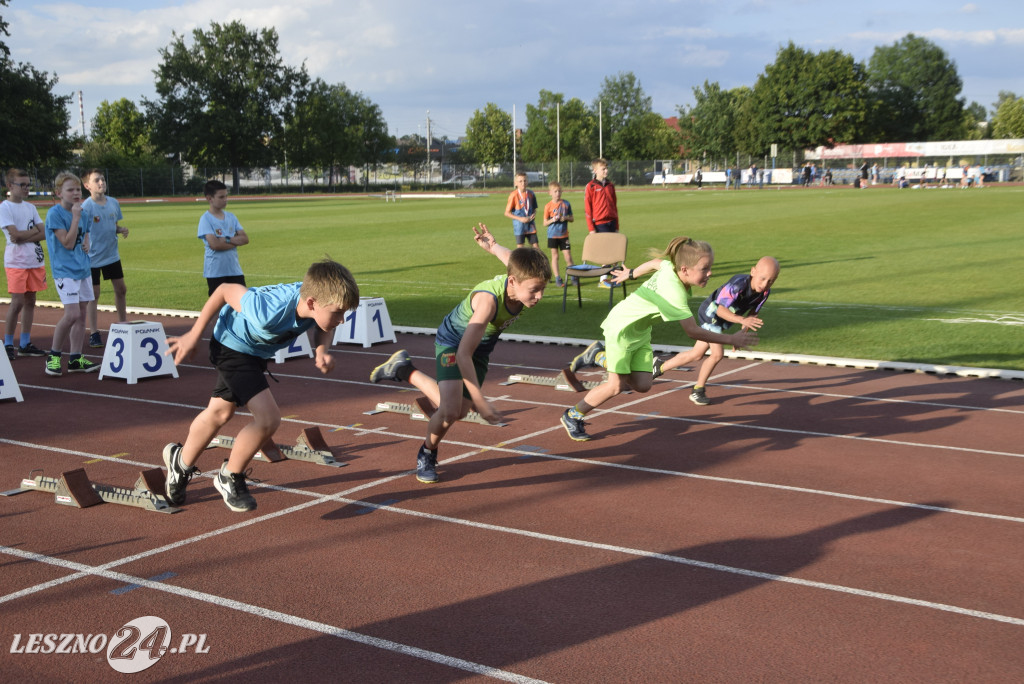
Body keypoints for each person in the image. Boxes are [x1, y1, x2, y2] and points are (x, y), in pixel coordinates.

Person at [162, 258, 359, 511]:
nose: (342, 320)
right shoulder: (268, 310)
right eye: (338, 313)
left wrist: (321, 350)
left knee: (220, 412)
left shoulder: (317, 302)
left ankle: (180, 464)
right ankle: (229, 476)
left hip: (255, 352)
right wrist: (194, 333)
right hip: (231, 346)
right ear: (311, 302)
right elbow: (224, 290)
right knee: (268, 419)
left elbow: (322, 325)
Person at [369, 224, 550, 483]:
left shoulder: (519, 276)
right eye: (534, 290)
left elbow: (510, 258)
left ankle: (403, 369)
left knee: (460, 411)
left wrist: (492, 245)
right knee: (450, 411)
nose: (540, 296)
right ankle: (427, 453)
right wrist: (482, 401)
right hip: (454, 343)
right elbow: (463, 354)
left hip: (480, 348)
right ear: (512, 281)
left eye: (543, 288)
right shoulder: (488, 303)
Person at [559, 237, 759, 441]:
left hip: (640, 332)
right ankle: (573, 415)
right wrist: (730, 338)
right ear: (685, 270)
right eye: (704, 268)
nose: (710, 273)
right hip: (621, 328)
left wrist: (631, 273)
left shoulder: (671, 268)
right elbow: (693, 331)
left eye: (710, 267)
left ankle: (599, 356)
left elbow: (656, 263)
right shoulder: (674, 293)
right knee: (615, 386)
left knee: (643, 384)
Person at [654, 256, 780, 405]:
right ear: (753, 271)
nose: (765, 284)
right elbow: (721, 310)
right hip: (711, 314)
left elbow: (752, 314)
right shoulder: (737, 285)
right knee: (717, 354)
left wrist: (741, 334)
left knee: (696, 354)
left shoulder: (765, 293)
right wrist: (741, 320)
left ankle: (659, 366)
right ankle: (698, 390)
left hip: (723, 320)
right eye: (762, 278)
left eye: (770, 281)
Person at [43, 172, 99, 375]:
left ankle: (75, 358)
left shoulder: (83, 213)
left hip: (83, 269)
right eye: (70, 190)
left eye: (77, 189)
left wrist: (86, 241)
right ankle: (54, 355)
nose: (76, 193)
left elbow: (85, 233)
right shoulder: (55, 214)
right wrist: (75, 218)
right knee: (72, 313)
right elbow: (66, 242)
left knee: (82, 314)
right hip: (65, 271)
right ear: (59, 193)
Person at [1, 169, 48, 361]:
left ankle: (25, 343)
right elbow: (14, 235)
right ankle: (8, 343)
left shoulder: (31, 207)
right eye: (23, 185)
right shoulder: (5, 207)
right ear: (10, 186)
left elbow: (44, 233)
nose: (27, 188)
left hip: (34, 260)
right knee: (17, 302)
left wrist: (23, 235)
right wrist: (29, 234)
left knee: (31, 301)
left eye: (28, 185)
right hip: (16, 261)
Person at [81, 169, 129, 348]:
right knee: (94, 295)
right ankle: (94, 332)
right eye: (96, 180)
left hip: (111, 255)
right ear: (87, 186)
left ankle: (123, 325)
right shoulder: (86, 207)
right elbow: (82, 230)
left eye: (102, 179)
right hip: (92, 258)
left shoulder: (114, 203)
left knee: (121, 289)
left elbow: (113, 226)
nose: (101, 183)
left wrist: (121, 229)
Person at [198, 179, 249, 296]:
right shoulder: (205, 219)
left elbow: (245, 239)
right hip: (215, 272)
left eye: (226, 196)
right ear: (209, 198)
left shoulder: (231, 217)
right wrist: (236, 241)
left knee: (243, 303)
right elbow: (215, 245)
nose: (225, 200)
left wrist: (227, 239)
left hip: (234, 270)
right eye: (221, 197)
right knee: (218, 308)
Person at [584, 158, 620, 288]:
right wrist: (591, 229)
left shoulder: (610, 185)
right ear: (595, 170)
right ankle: (603, 279)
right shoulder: (591, 186)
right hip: (600, 223)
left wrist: (617, 225)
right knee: (606, 252)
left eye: (606, 168)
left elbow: (614, 206)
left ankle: (615, 277)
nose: (606, 170)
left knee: (616, 251)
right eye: (603, 169)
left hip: (611, 222)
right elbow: (588, 209)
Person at [542, 181, 575, 287]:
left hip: (564, 235)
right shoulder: (548, 206)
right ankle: (557, 278)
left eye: (559, 191)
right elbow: (544, 222)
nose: (558, 193)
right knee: (555, 256)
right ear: (550, 193)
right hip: (552, 235)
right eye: (555, 191)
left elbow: (572, 218)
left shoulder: (566, 204)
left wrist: (565, 218)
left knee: (568, 256)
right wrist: (553, 220)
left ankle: (573, 276)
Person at [504, 171, 538, 250]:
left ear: (527, 181)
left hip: (530, 225)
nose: (523, 183)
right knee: (520, 249)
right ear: (515, 183)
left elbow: (534, 209)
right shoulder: (513, 195)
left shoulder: (531, 194)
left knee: (536, 248)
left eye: (525, 180)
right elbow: (506, 213)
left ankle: (537, 263)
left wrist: (533, 215)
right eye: (520, 181)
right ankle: (521, 263)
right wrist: (521, 219)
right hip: (519, 227)